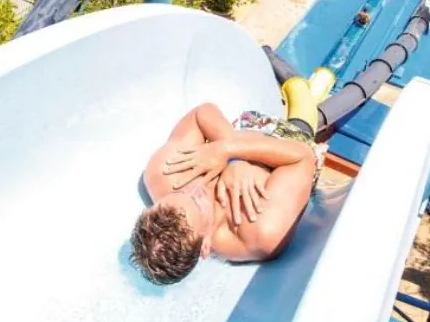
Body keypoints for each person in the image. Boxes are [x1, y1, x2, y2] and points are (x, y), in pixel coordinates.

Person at [130, 99, 322, 285]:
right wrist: (234, 154)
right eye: (199, 202)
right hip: (291, 144)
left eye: (180, 192)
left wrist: (233, 156)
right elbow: (304, 157)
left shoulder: (162, 174)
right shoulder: (260, 232)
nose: (196, 187)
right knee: (302, 126)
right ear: (205, 246)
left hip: (247, 127)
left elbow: (201, 113)